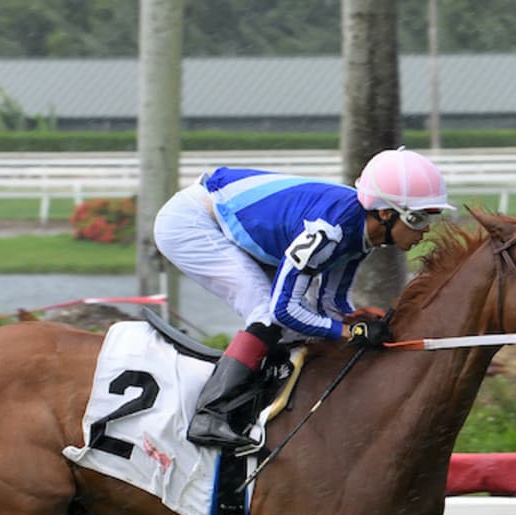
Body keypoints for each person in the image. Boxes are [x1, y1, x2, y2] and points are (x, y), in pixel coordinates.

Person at [154, 147, 453, 449]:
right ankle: (211, 413)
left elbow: (332, 305)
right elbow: (284, 310)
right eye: (417, 219)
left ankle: (261, 400)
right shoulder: (330, 232)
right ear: (386, 214)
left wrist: (361, 322)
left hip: (229, 219)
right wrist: (348, 331)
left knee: (307, 320)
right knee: (266, 314)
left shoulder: (361, 234)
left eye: (431, 219)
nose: (426, 231)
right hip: (192, 223)